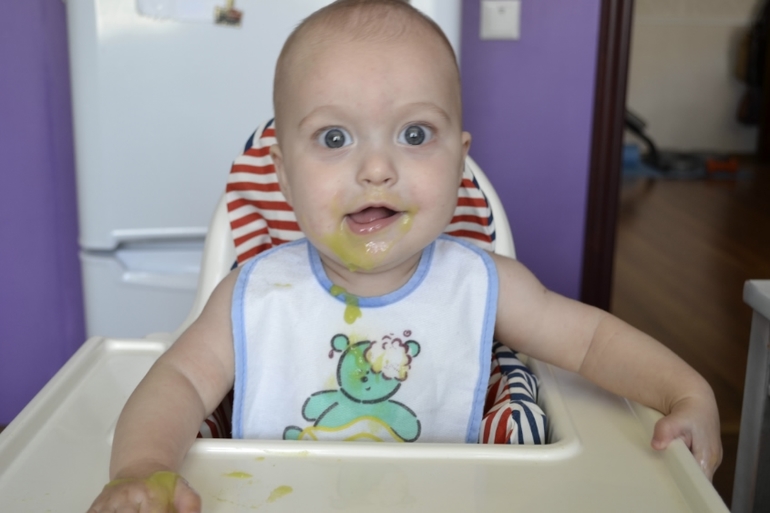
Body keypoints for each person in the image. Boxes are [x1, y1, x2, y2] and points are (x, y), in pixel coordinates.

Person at [87, 1, 722, 511]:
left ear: (458, 160)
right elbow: (176, 383)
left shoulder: (484, 286)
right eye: (334, 137)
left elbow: (592, 345)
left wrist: (686, 393)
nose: (376, 168)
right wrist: (142, 466)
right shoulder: (255, 296)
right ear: (281, 175)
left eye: (415, 134)